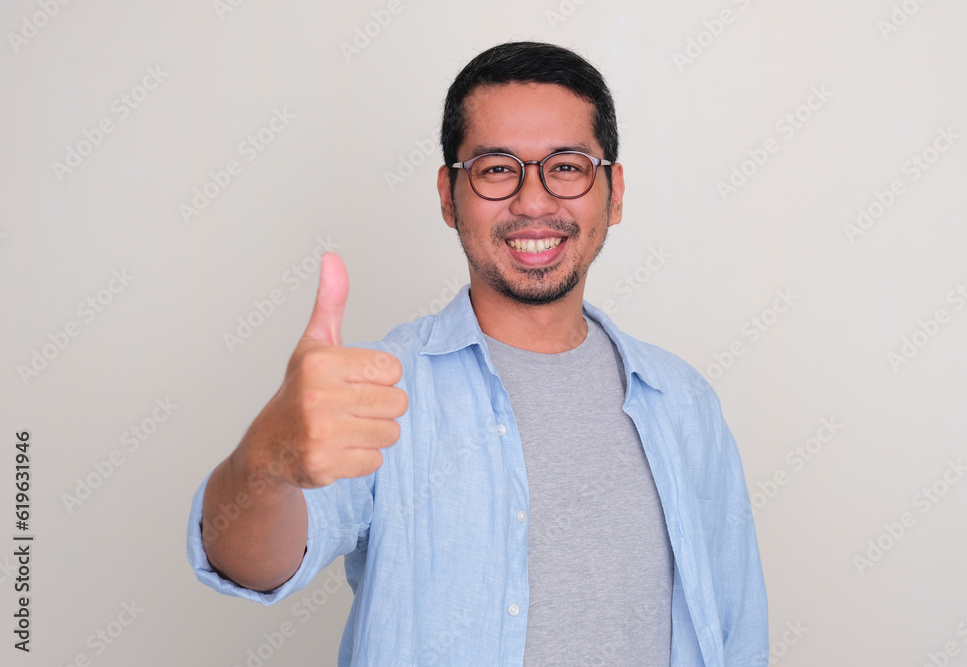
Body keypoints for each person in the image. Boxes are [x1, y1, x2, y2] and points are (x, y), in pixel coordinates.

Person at [187, 41, 768, 666]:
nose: (534, 201)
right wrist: (265, 463)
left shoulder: (683, 403)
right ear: (448, 195)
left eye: (567, 166)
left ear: (614, 191)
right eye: (496, 169)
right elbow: (247, 564)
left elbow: (738, 631)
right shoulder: (378, 389)